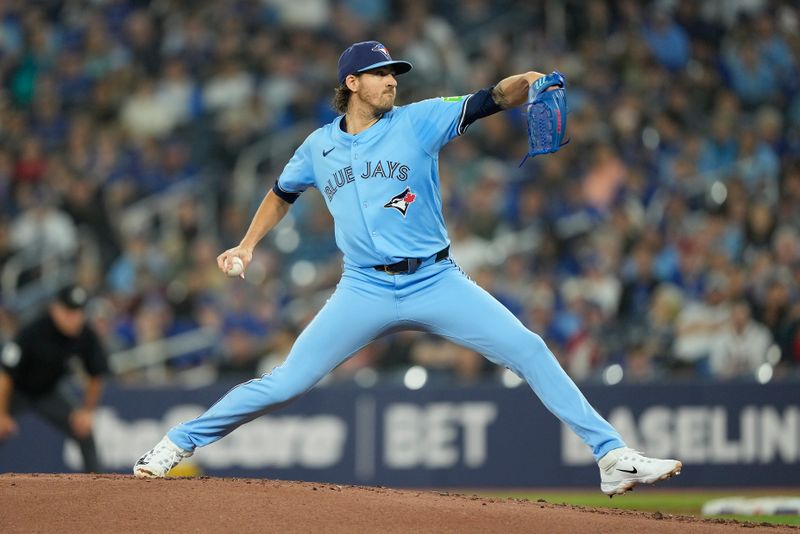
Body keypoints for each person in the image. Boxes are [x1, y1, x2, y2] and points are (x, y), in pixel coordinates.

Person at [133, 41, 682, 495]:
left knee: (529, 348)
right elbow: (281, 192)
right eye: (380, 74)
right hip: (363, 286)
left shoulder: (419, 120)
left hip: (435, 278)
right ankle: (178, 442)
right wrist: (248, 243)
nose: (392, 80)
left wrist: (529, 82)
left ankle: (612, 456)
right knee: (285, 383)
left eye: (394, 72)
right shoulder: (317, 146)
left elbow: (490, 98)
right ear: (352, 83)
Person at [0, 285, 109, 473]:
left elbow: (96, 375)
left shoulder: (85, 335)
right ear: (55, 309)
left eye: (79, 312)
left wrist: (87, 411)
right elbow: (5, 375)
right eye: (69, 312)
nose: (75, 318)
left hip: (48, 392)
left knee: (83, 429)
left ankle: (98, 486)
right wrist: (1, 414)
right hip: (14, 391)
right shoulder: (32, 331)